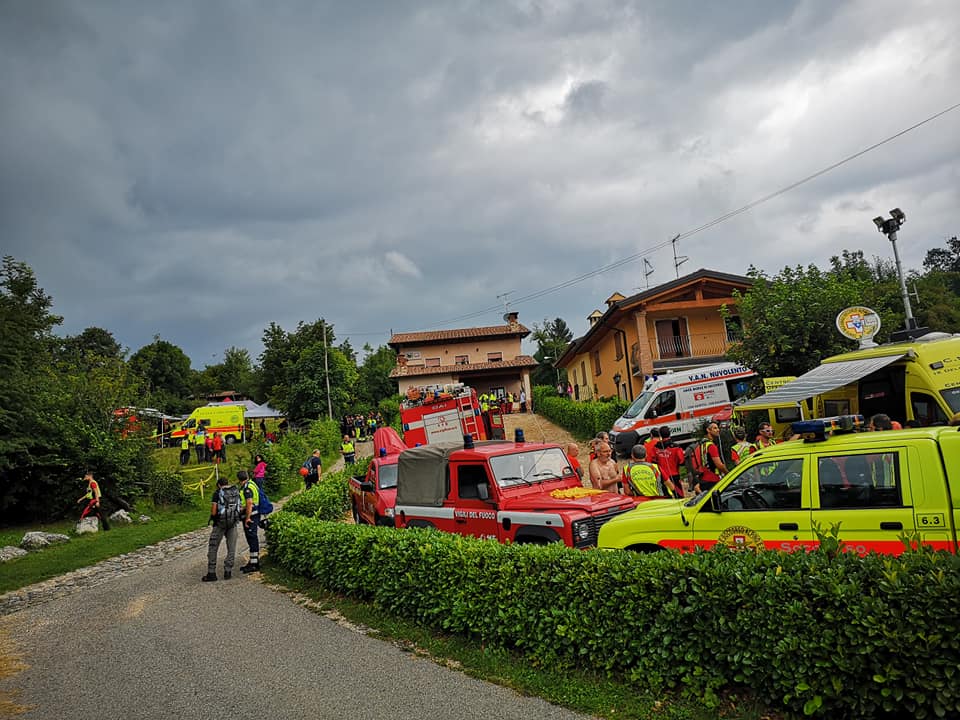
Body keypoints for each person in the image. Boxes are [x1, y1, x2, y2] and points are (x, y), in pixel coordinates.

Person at [203, 473, 240, 581]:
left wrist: (213, 518)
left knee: (213, 547)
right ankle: (228, 571)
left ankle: (211, 573)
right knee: (231, 548)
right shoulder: (235, 492)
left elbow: (214, 511)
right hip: (233, 523)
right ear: (227, 484)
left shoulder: (217, 493)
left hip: (220, 523)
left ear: (219, 485)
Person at [237, 470, 262, 573]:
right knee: (251, 538)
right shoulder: (252, 484)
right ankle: (253, 561)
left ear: (239, 479)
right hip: (255, 513)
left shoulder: (247, 488)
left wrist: (247, 518)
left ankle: (254, 564)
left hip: (251, 515)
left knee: (252, 538)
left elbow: (249, 503)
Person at [652, 426, 685, 498]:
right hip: (674, 475)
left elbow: (654, 462)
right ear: (670, 434)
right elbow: (682, 461)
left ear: (660, 435)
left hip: (662, 476)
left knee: (666, 497)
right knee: (679, 496)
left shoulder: (655, 447)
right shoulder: (676, 447)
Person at [696, 422, 727, 494]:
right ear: (708, 430)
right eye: (715, 428)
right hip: (713, 480)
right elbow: (719, 465)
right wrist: (727, 473)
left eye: (718, 428)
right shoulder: (711, 446)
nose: (718, 430)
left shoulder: (701, 444)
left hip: (702, 479)